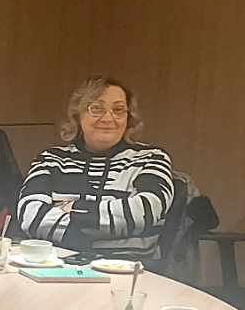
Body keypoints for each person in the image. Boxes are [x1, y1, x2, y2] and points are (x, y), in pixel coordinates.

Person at [13, 76, 175, 254]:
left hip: (127, 266)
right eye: (96, 108)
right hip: (57, 263)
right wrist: (91, 234)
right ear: (78, 115)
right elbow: (30, 215)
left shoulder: (151, 158)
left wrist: (74, 209)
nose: (108, 118)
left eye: (118, 110)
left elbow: (144, 212)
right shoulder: (50, 159)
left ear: (129, 118)